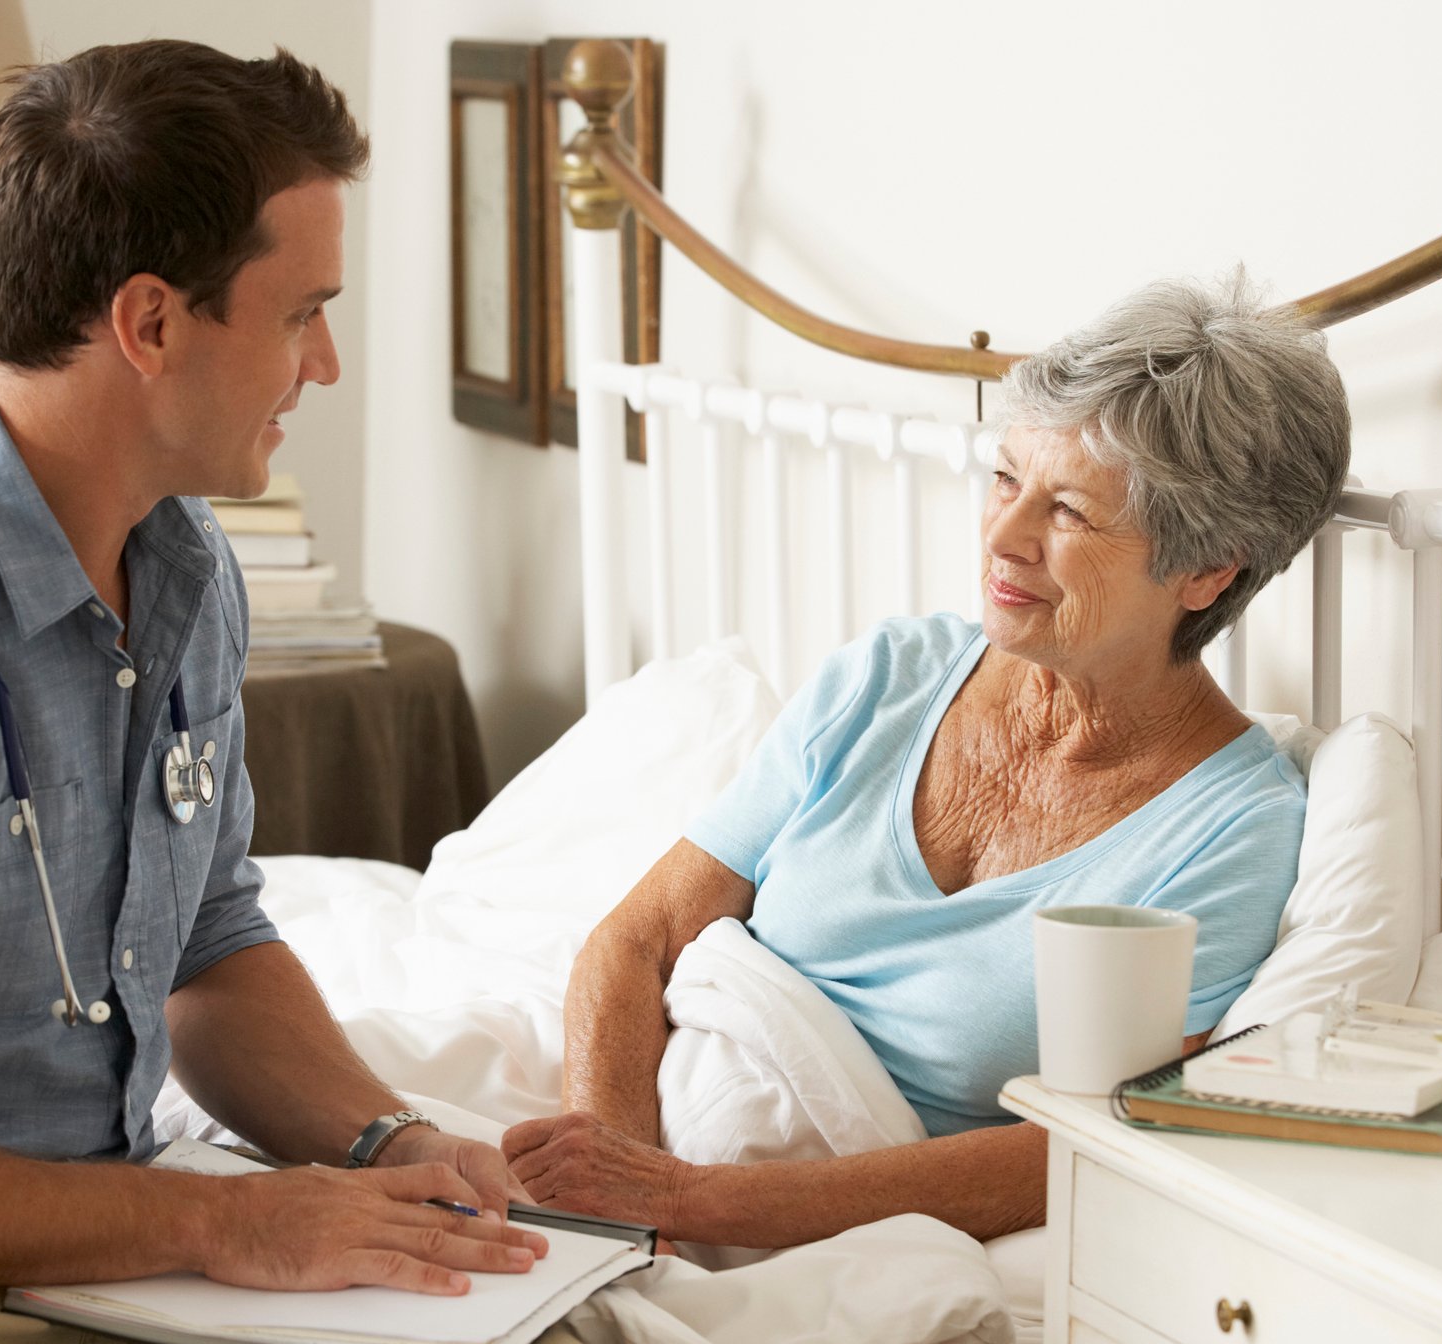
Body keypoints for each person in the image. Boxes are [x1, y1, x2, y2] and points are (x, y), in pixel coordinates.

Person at [0, 40, 651, 1344]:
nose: (329, 362)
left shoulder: (183, 568)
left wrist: (385, 1138)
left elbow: (209, 945)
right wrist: (227, 1222)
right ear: (152, 323)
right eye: (302, 312)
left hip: (121, 1243)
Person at [508, 274, 1349, 1251]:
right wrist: (608, 1209)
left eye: (1068, 511)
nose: (1002, 535)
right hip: (649, 1163)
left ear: (1208, 569)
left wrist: (687, 1202)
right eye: (1004, 478)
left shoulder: (1230, 831)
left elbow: (1092, 1144)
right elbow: (639, 940)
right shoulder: (887, 679)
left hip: (799, 1227)